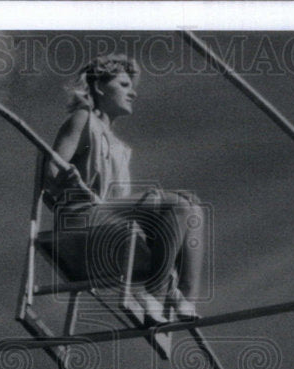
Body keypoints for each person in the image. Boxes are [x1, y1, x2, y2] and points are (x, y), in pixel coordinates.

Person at [44, 54, 206, 324]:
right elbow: (48, 173)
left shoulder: (121, 149)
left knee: (192, 209)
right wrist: (66, 177)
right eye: (124, 85)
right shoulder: (83, 119)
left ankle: (183, 298)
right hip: (82, 219)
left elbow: (124, 205)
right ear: (99, 87)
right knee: (173, 203)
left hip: (111, 224)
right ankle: (155, 293)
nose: (133, 94)